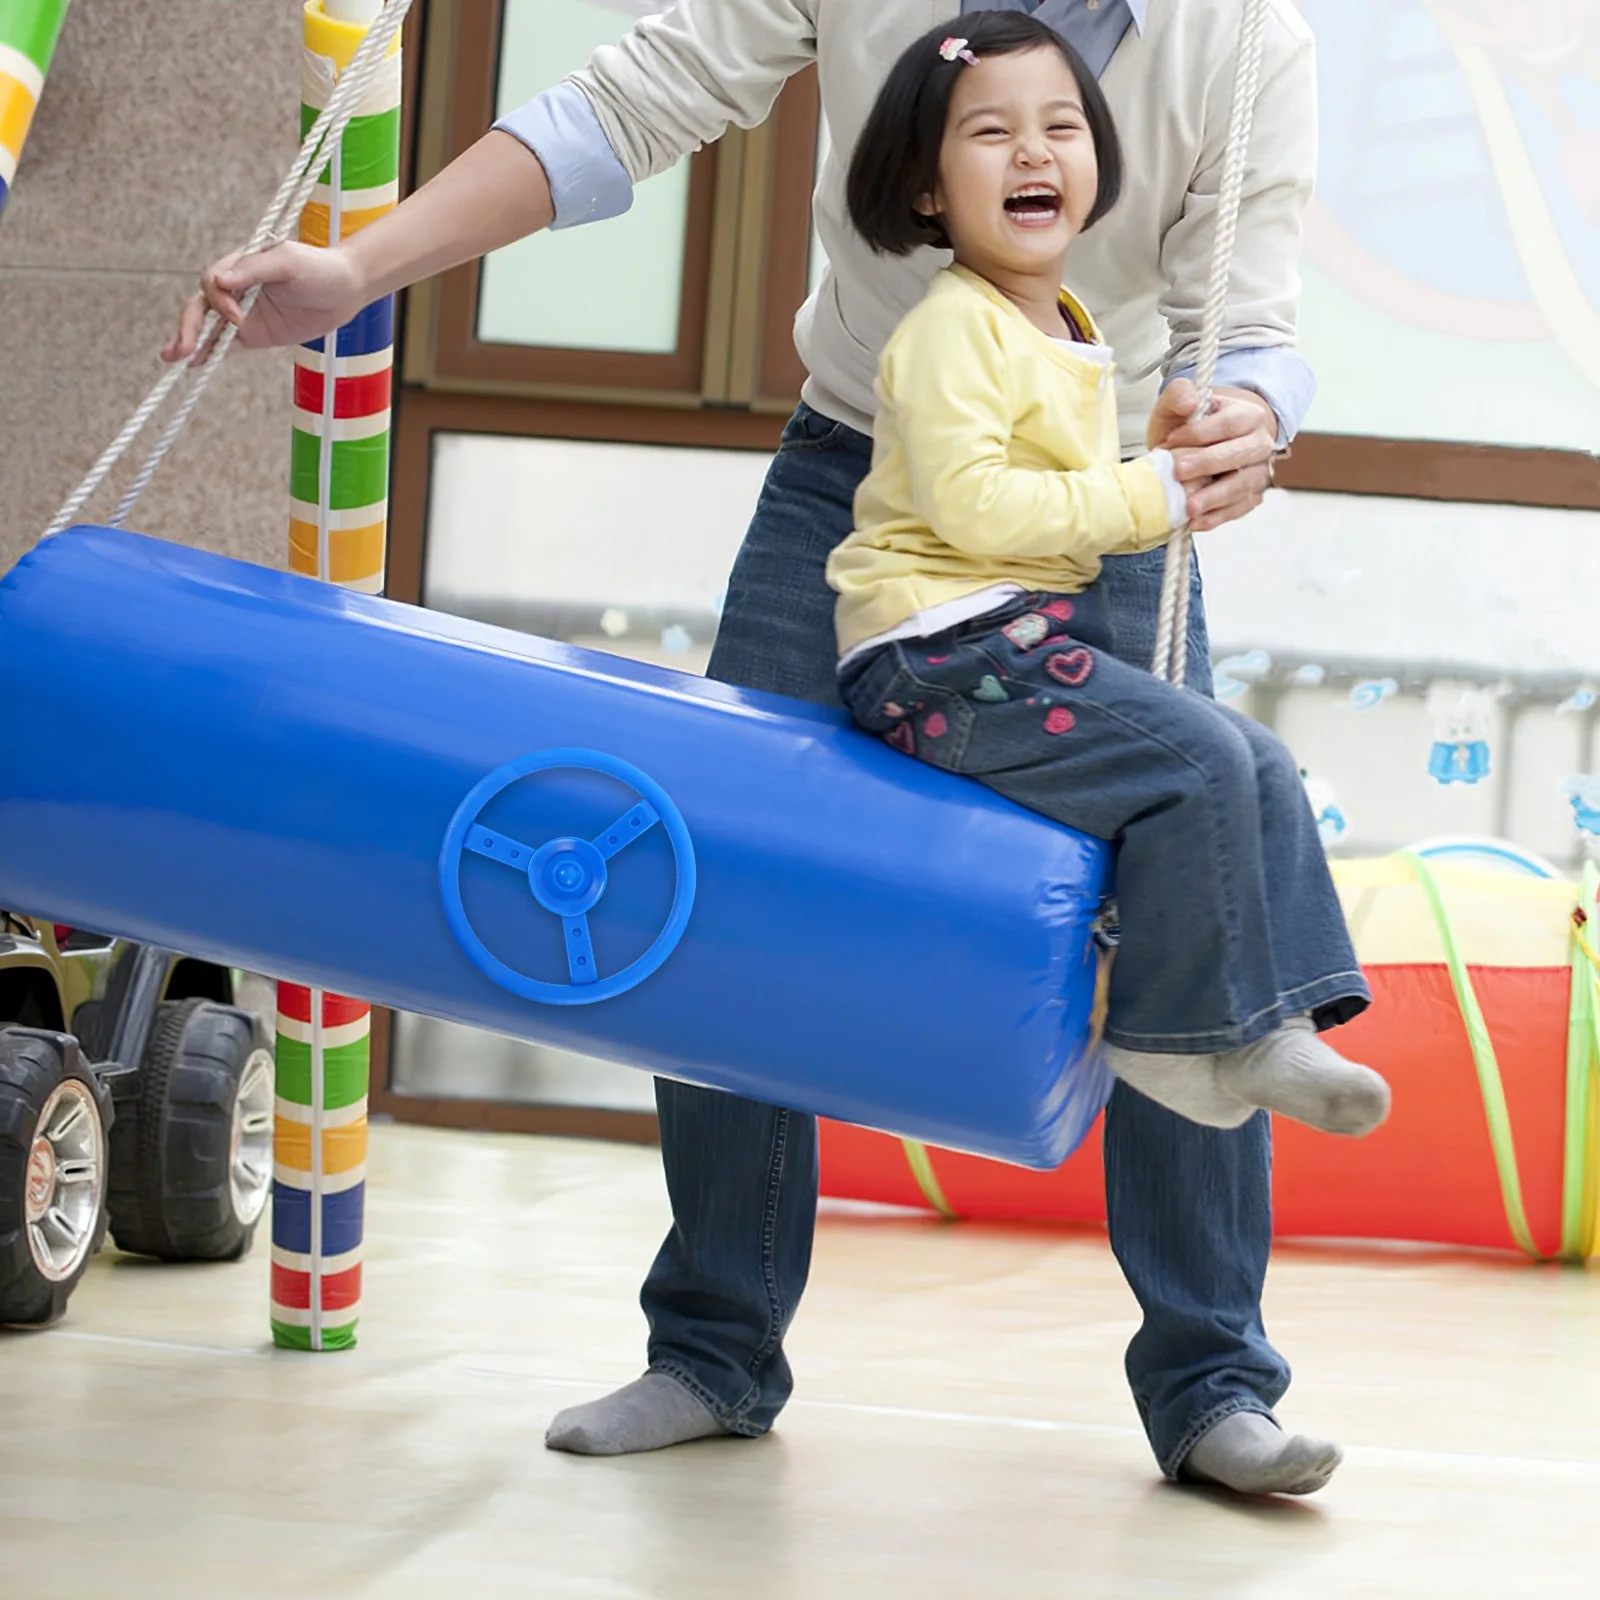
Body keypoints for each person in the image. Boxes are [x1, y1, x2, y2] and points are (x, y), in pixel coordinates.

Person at [167, 0, 1353, 1498]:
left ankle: (1212, 1384)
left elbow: (1251, 320)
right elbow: (627, 106)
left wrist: (1247, 414)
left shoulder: (1246, 40)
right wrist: (357, 268)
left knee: (1198, 897)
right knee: (717, 889)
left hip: (1097, 499)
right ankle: (714, 1351)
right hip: (859, 476)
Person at [833, 15, 1386, 1145]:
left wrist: (1161, 440)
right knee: (1199, 764)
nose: (1033, 151)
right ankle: (1170, 1036)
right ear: (927, 188)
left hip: (1006, 635)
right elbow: (975, 508)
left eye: (1062, 126)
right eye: (990, 132)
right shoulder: (952, 329)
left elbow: (1056, 480)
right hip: (937, 651)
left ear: (1098, 165)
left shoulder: (1062, 318)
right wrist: (1153, 490)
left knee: (1253, 756)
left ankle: (1275, 1021)